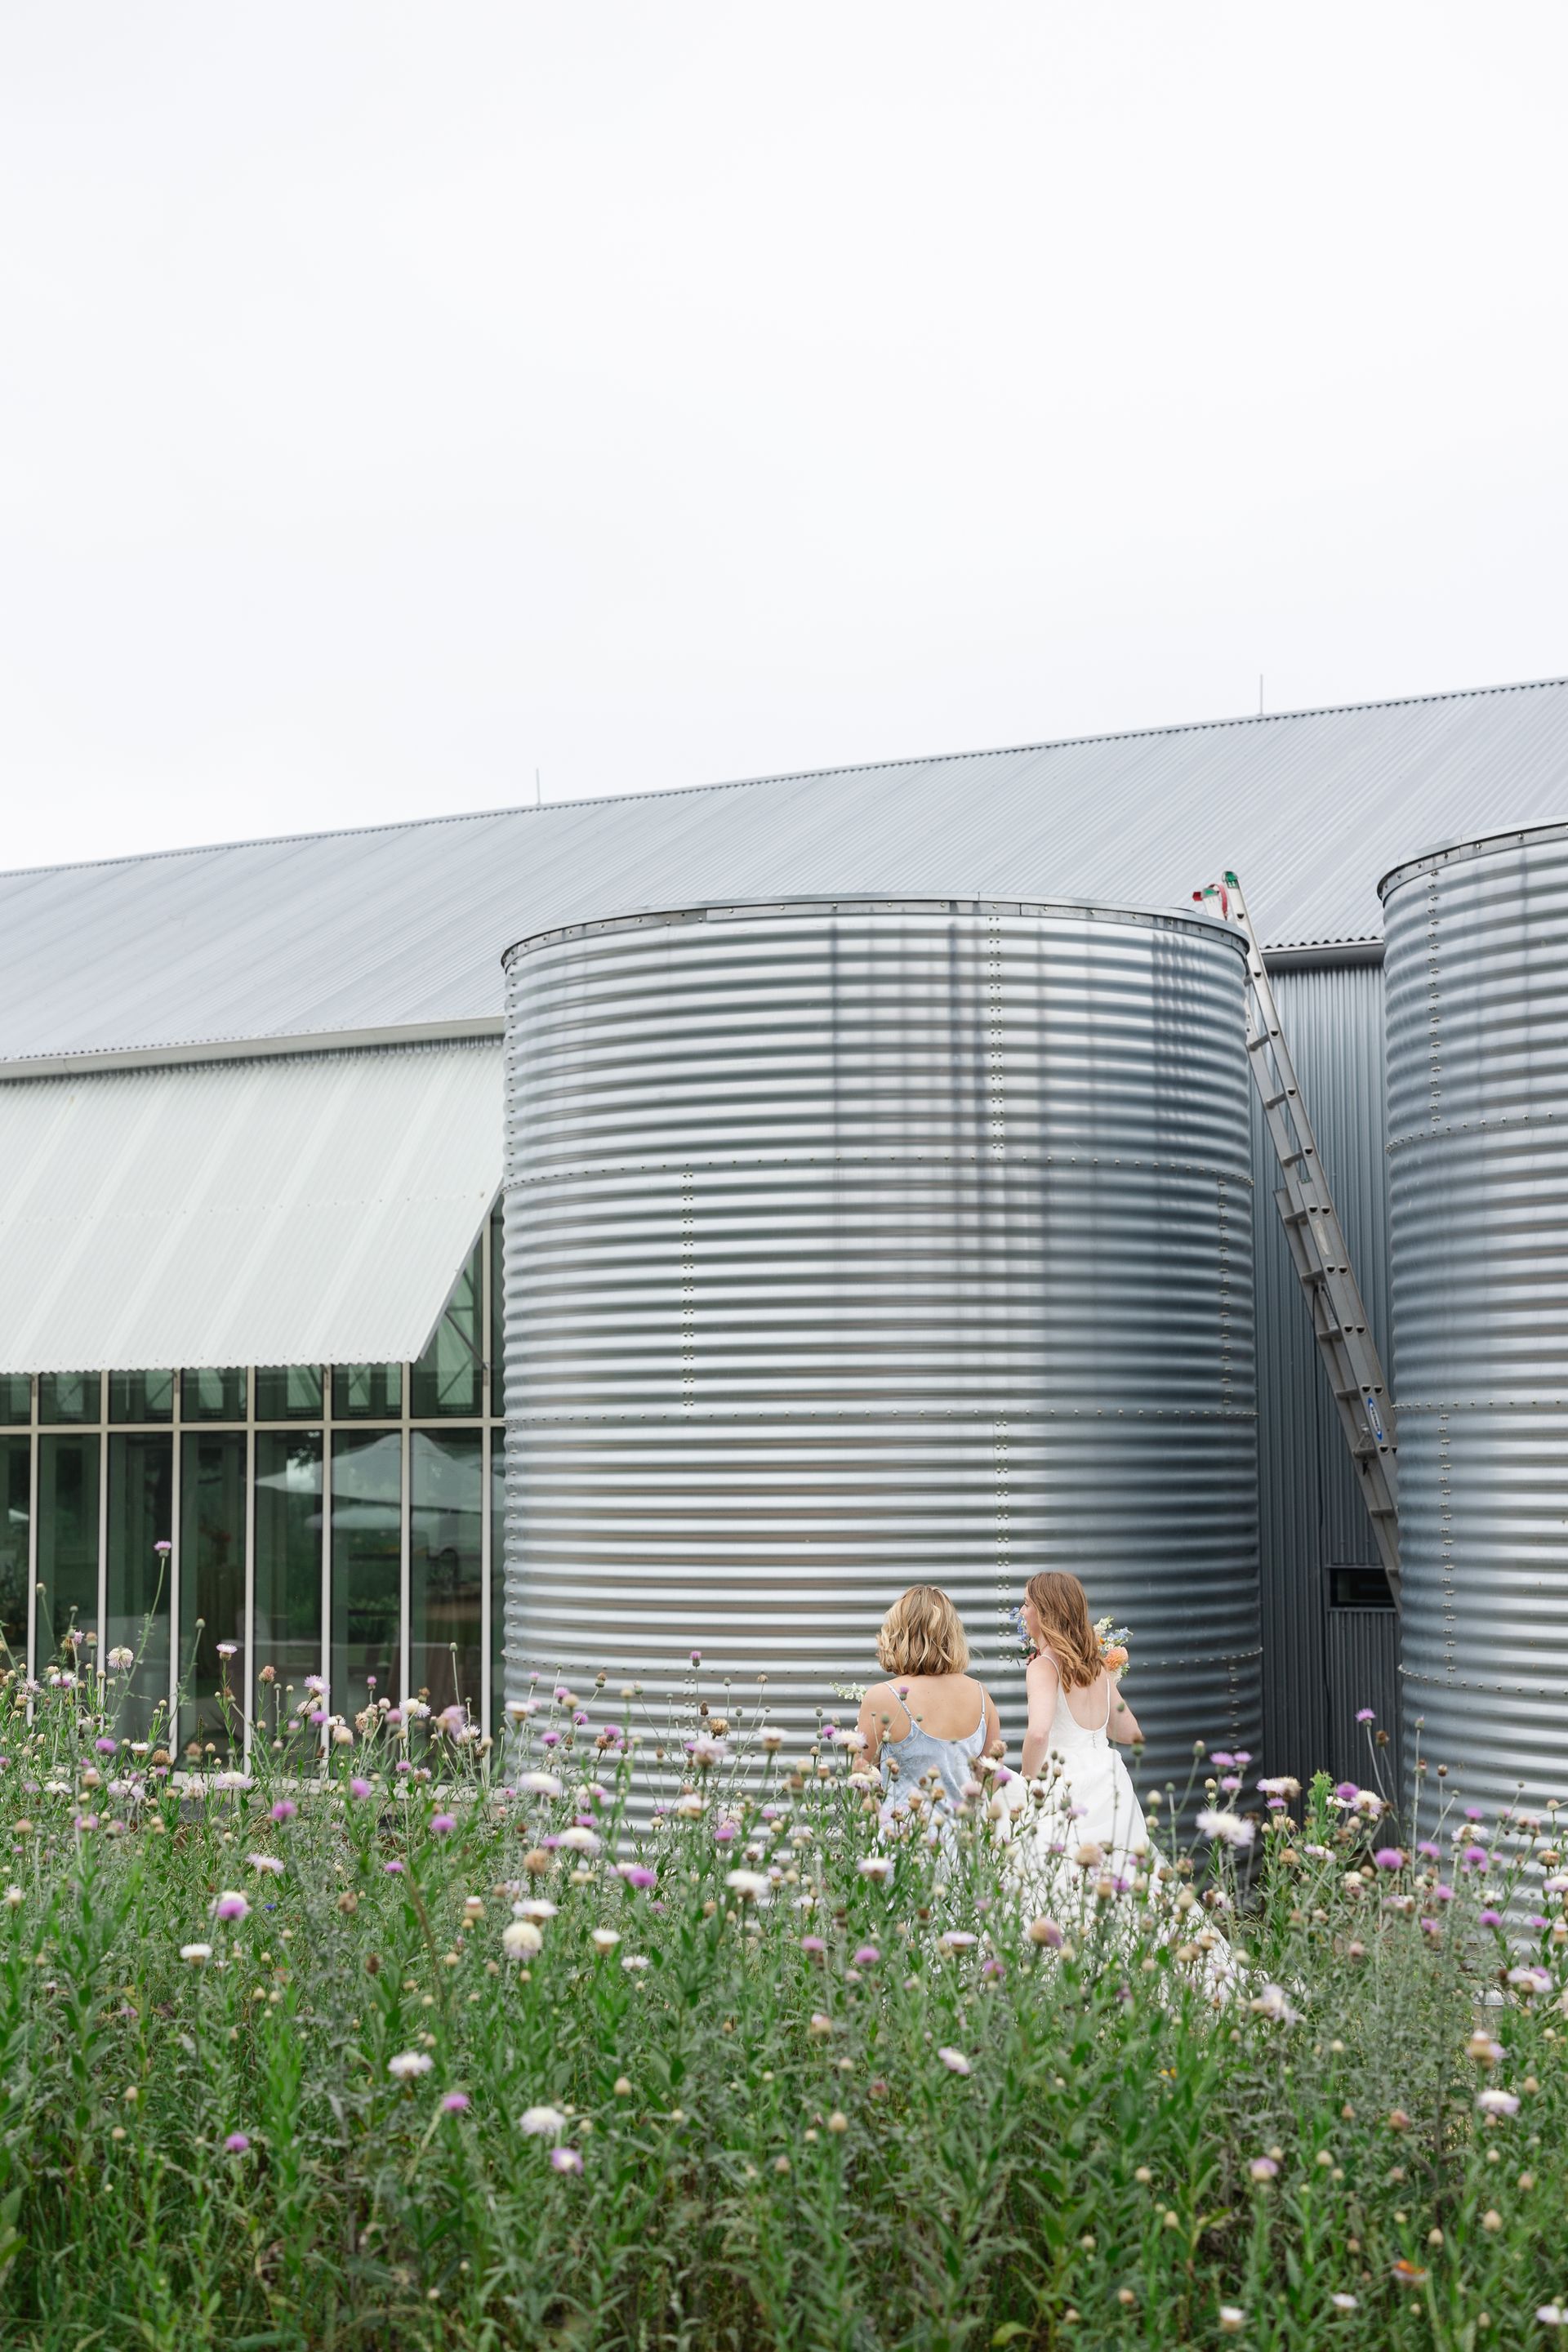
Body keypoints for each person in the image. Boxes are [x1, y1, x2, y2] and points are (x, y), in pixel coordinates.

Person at [1014, 1568, 1149, 1873]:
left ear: (1044, 1613)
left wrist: (1027, 1784)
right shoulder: (1099, 1668)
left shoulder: (1044, 1666)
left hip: (1063, 1784)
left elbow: (1038, 1733)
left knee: (1056, 1875)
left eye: (1026, 1604)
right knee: (1119, 1874)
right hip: (1110, 1780)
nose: (1022, 1612)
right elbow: (1131, 1733)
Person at [856, 1585, 1004, 1841]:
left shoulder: (882, 1697)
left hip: (902, 1847)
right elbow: (991, 1781)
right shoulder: (981, 1695)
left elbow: (859, 1777)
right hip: (963, 1851)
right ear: (952, 1634)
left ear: (898, 1634)